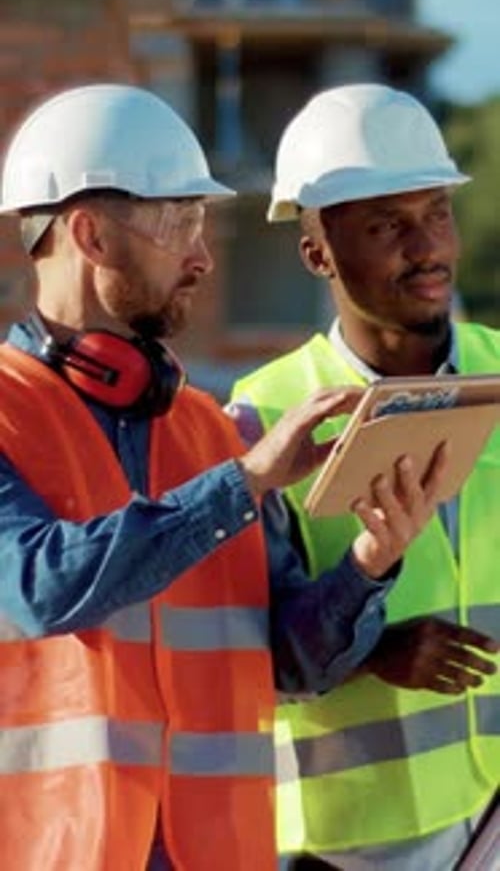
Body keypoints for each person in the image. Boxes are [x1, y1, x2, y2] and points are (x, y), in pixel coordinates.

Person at [0, 83, 446, 871]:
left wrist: (369, 563)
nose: (203, 256)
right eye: (180, 223)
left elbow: (291, 664)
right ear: (89, 233)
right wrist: (245, 483)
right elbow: (40, 589)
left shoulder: (208, 430)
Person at [229, 83, 500, 871]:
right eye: (388, 225)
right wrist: (370, 648)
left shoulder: (498, 368)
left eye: (437, 213)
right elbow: (254, 654)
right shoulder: (264, 416)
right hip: (355, 845)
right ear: (317, 251)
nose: (427, 248)